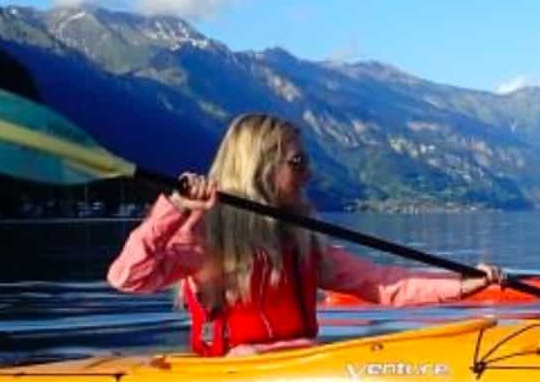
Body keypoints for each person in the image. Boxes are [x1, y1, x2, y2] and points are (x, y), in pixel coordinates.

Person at [107, 113, 502, 356]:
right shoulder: (205, 236)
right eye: (298, 162)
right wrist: (174, 209)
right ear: (259, 167)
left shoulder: (302, 239)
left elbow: (384, 285)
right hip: (237, 379)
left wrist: (464, 285)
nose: (309, 173)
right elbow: (127, 277)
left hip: (305, 365)